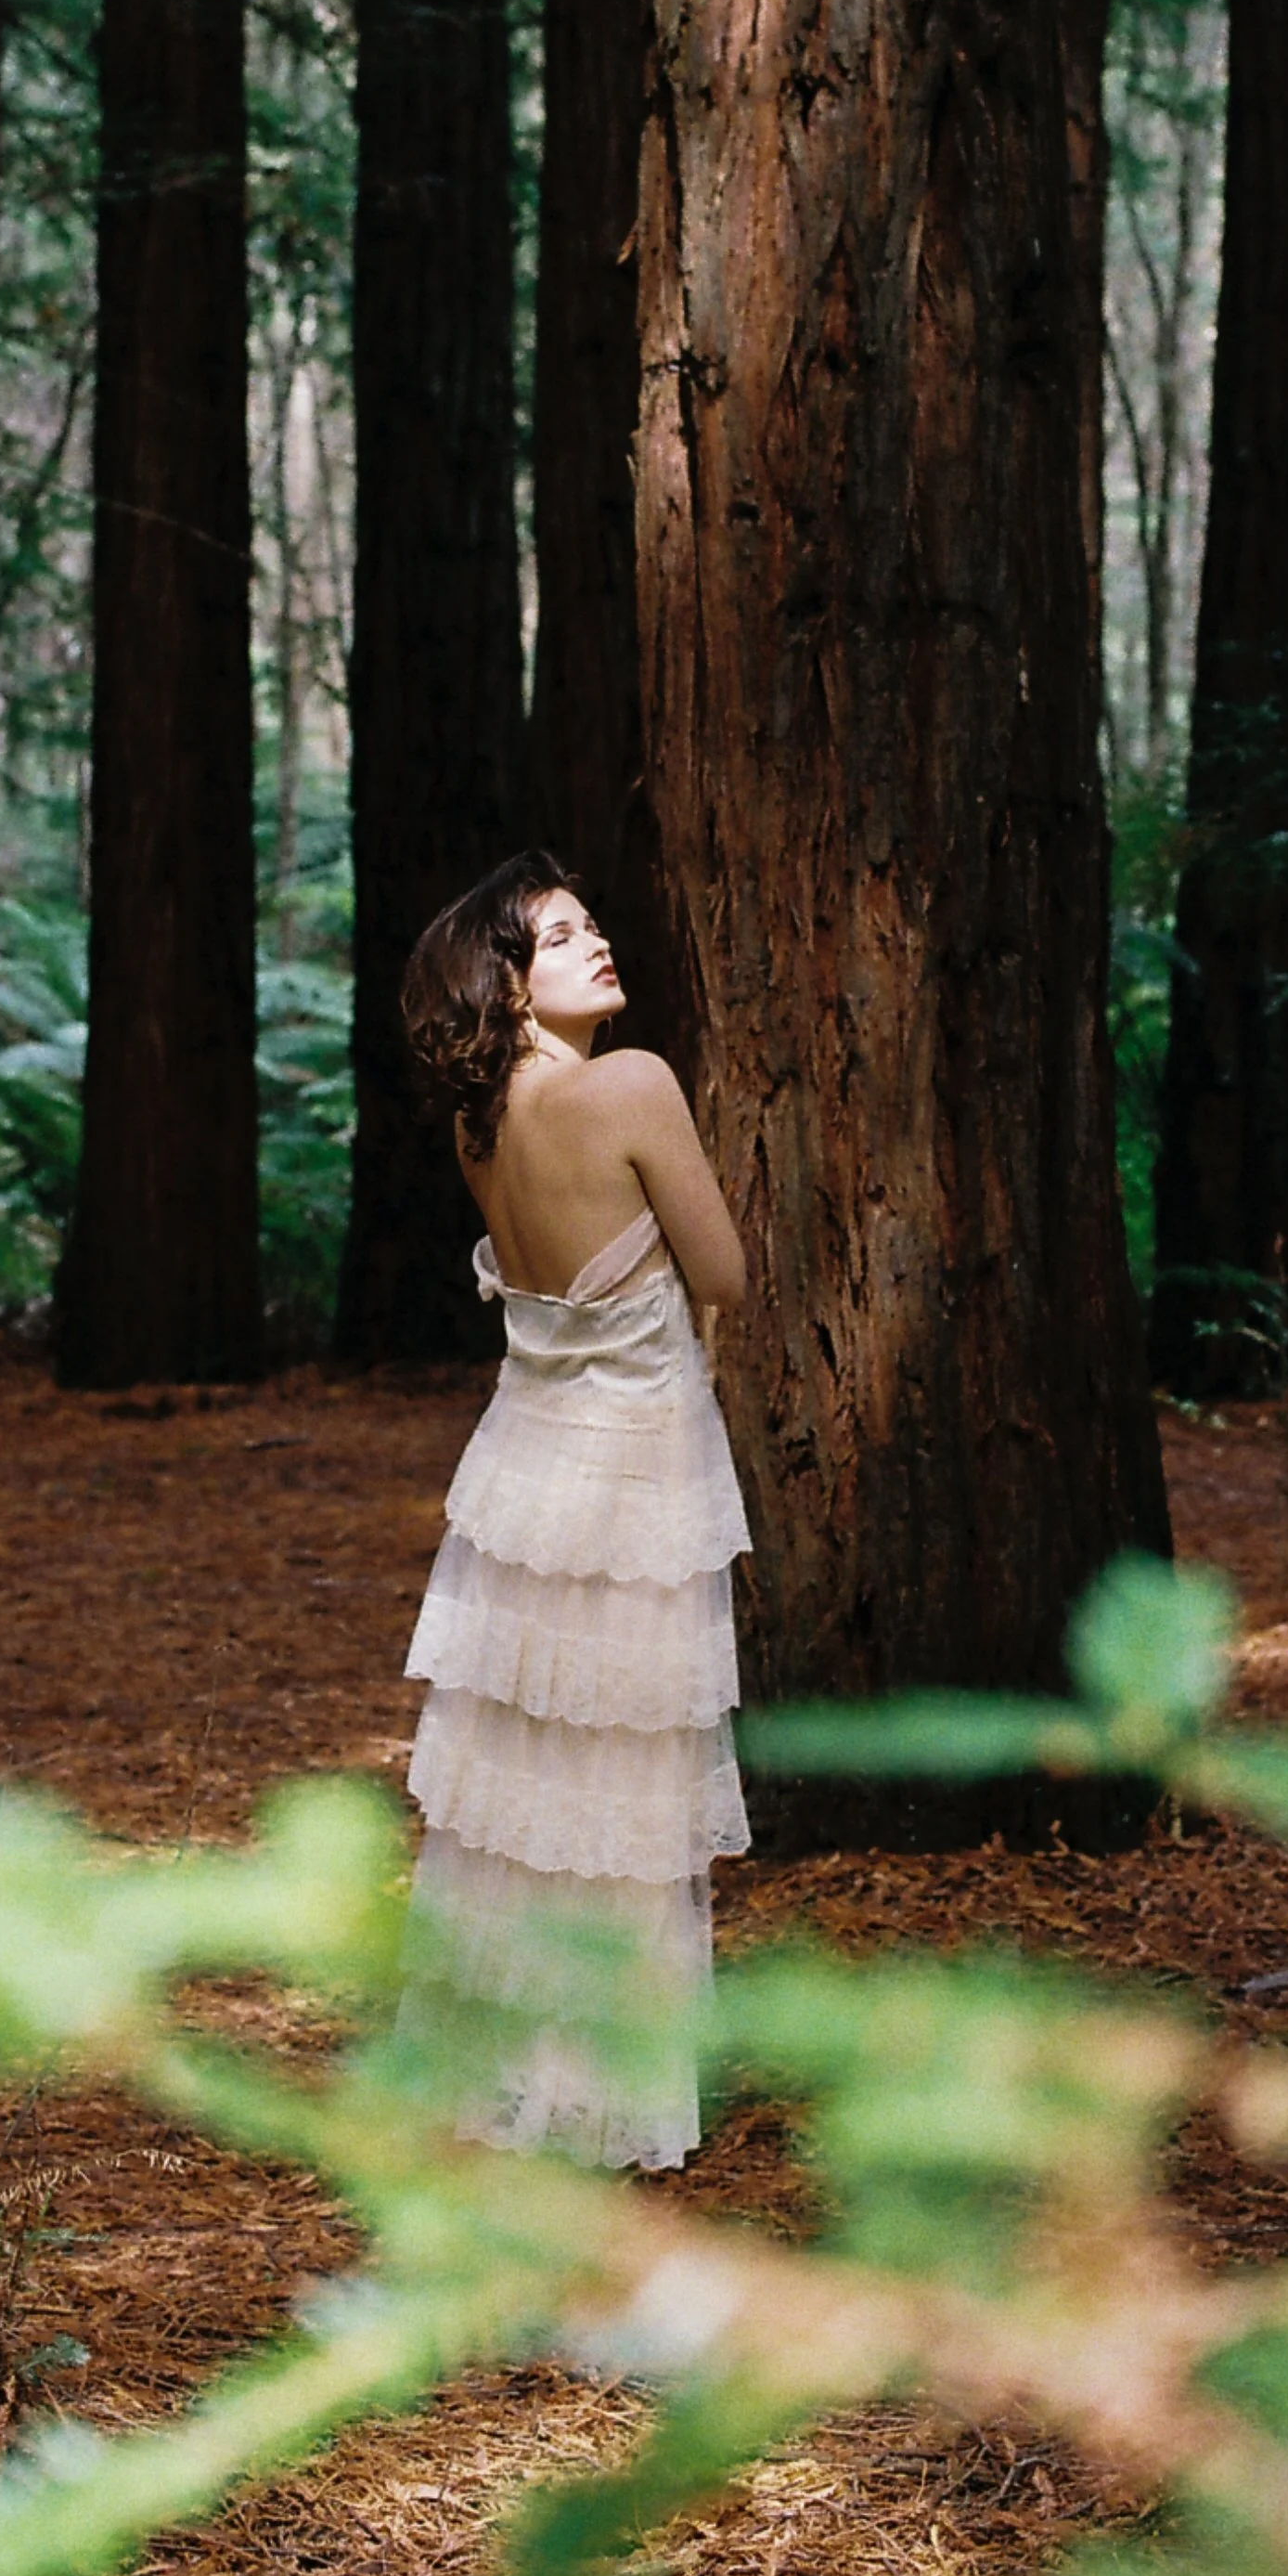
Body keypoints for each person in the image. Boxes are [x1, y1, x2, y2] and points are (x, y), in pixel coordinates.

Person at [395, 849, 751, 2170]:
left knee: (525, 1787)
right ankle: (605, 2096)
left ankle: (495, 2074)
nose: (599, 944)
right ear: (507, 980)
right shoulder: (632, 1086)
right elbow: (728, 1272)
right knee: (626, 1788)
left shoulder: (478, 1126)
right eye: (561, 935)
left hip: (526, 1472)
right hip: (638, 1475)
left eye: (595, 922)